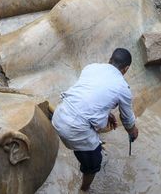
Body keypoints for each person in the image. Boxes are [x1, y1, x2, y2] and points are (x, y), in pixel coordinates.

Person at [51, 48, 139, 193]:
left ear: (110, 60)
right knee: (94, 164)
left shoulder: (91, 68)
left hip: (59, 115)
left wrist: (106, 113)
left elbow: (88, 97)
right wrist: (133, 131)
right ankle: (84, 189)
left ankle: (91, 148)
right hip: (74, 129)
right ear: (126, 68)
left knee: (91, 144)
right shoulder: (123, 88)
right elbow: (127, 119)